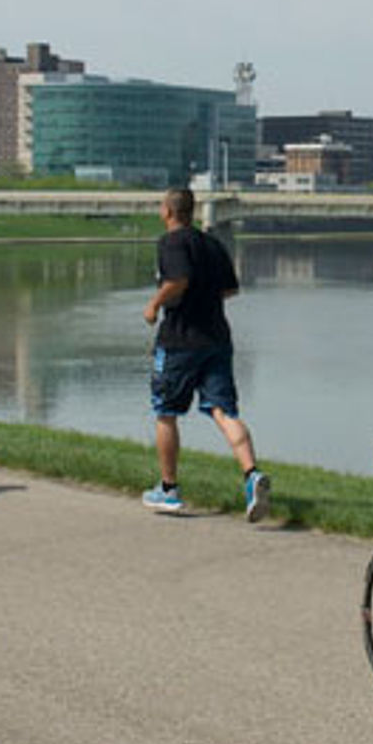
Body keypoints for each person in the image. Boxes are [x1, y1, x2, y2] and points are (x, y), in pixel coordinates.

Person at [141, 186, 271, 521]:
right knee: (223, 410)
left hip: (180, 342)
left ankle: (168, 490)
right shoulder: (212, 244)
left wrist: (155, 304)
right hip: (216, 339)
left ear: (169, 211)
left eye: (161, 205)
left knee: (166, 411)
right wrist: (204, 299)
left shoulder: (171, 242)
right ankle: (251, 475)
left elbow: (178, 280)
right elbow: (230, 288)